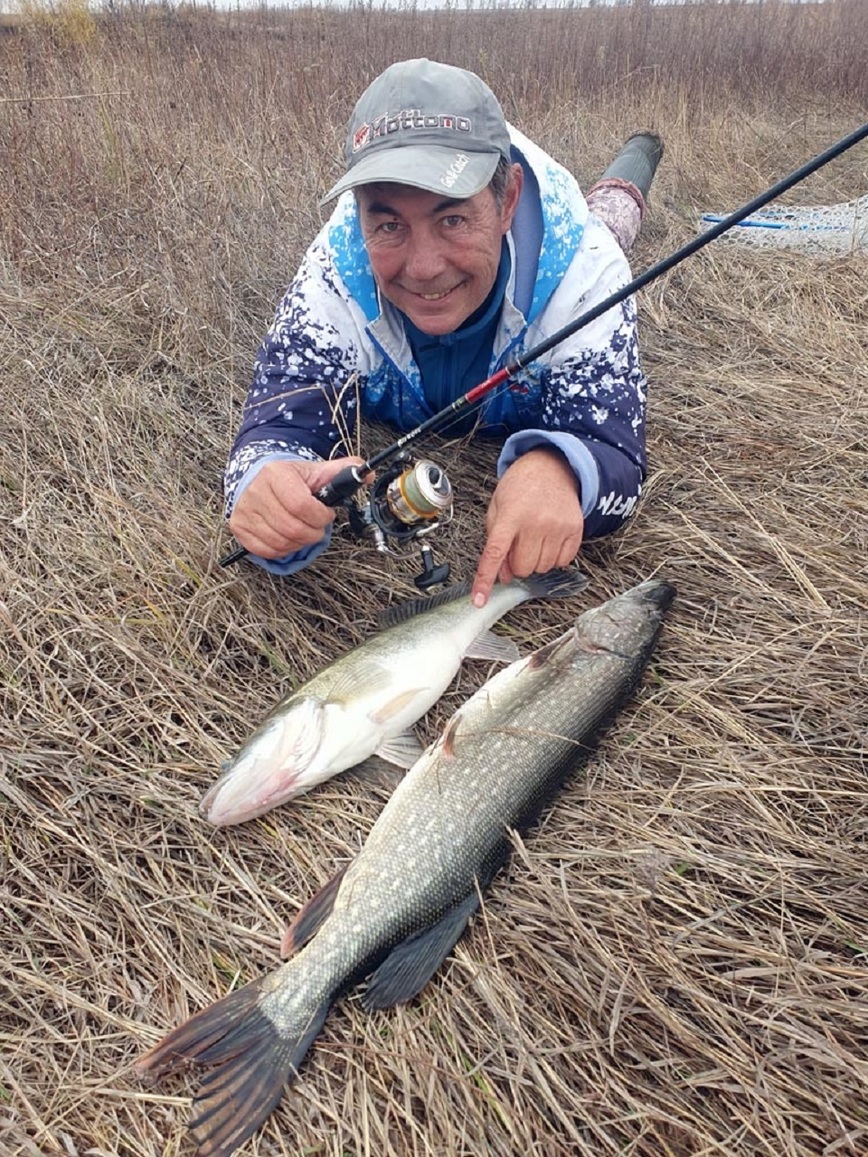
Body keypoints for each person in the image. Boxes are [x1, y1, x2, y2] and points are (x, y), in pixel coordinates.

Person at [224, 58, 663, 606]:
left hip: (590, 230)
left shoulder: (587, 273)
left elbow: (615, 448)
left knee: (614, 219)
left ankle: (637, 163)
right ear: (359, 216)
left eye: (452, 219)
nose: (424, 267)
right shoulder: (334, 271)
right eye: (389, 225)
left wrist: (564, 472)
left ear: (507, 202)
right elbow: (275, 422)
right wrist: (263, 483)